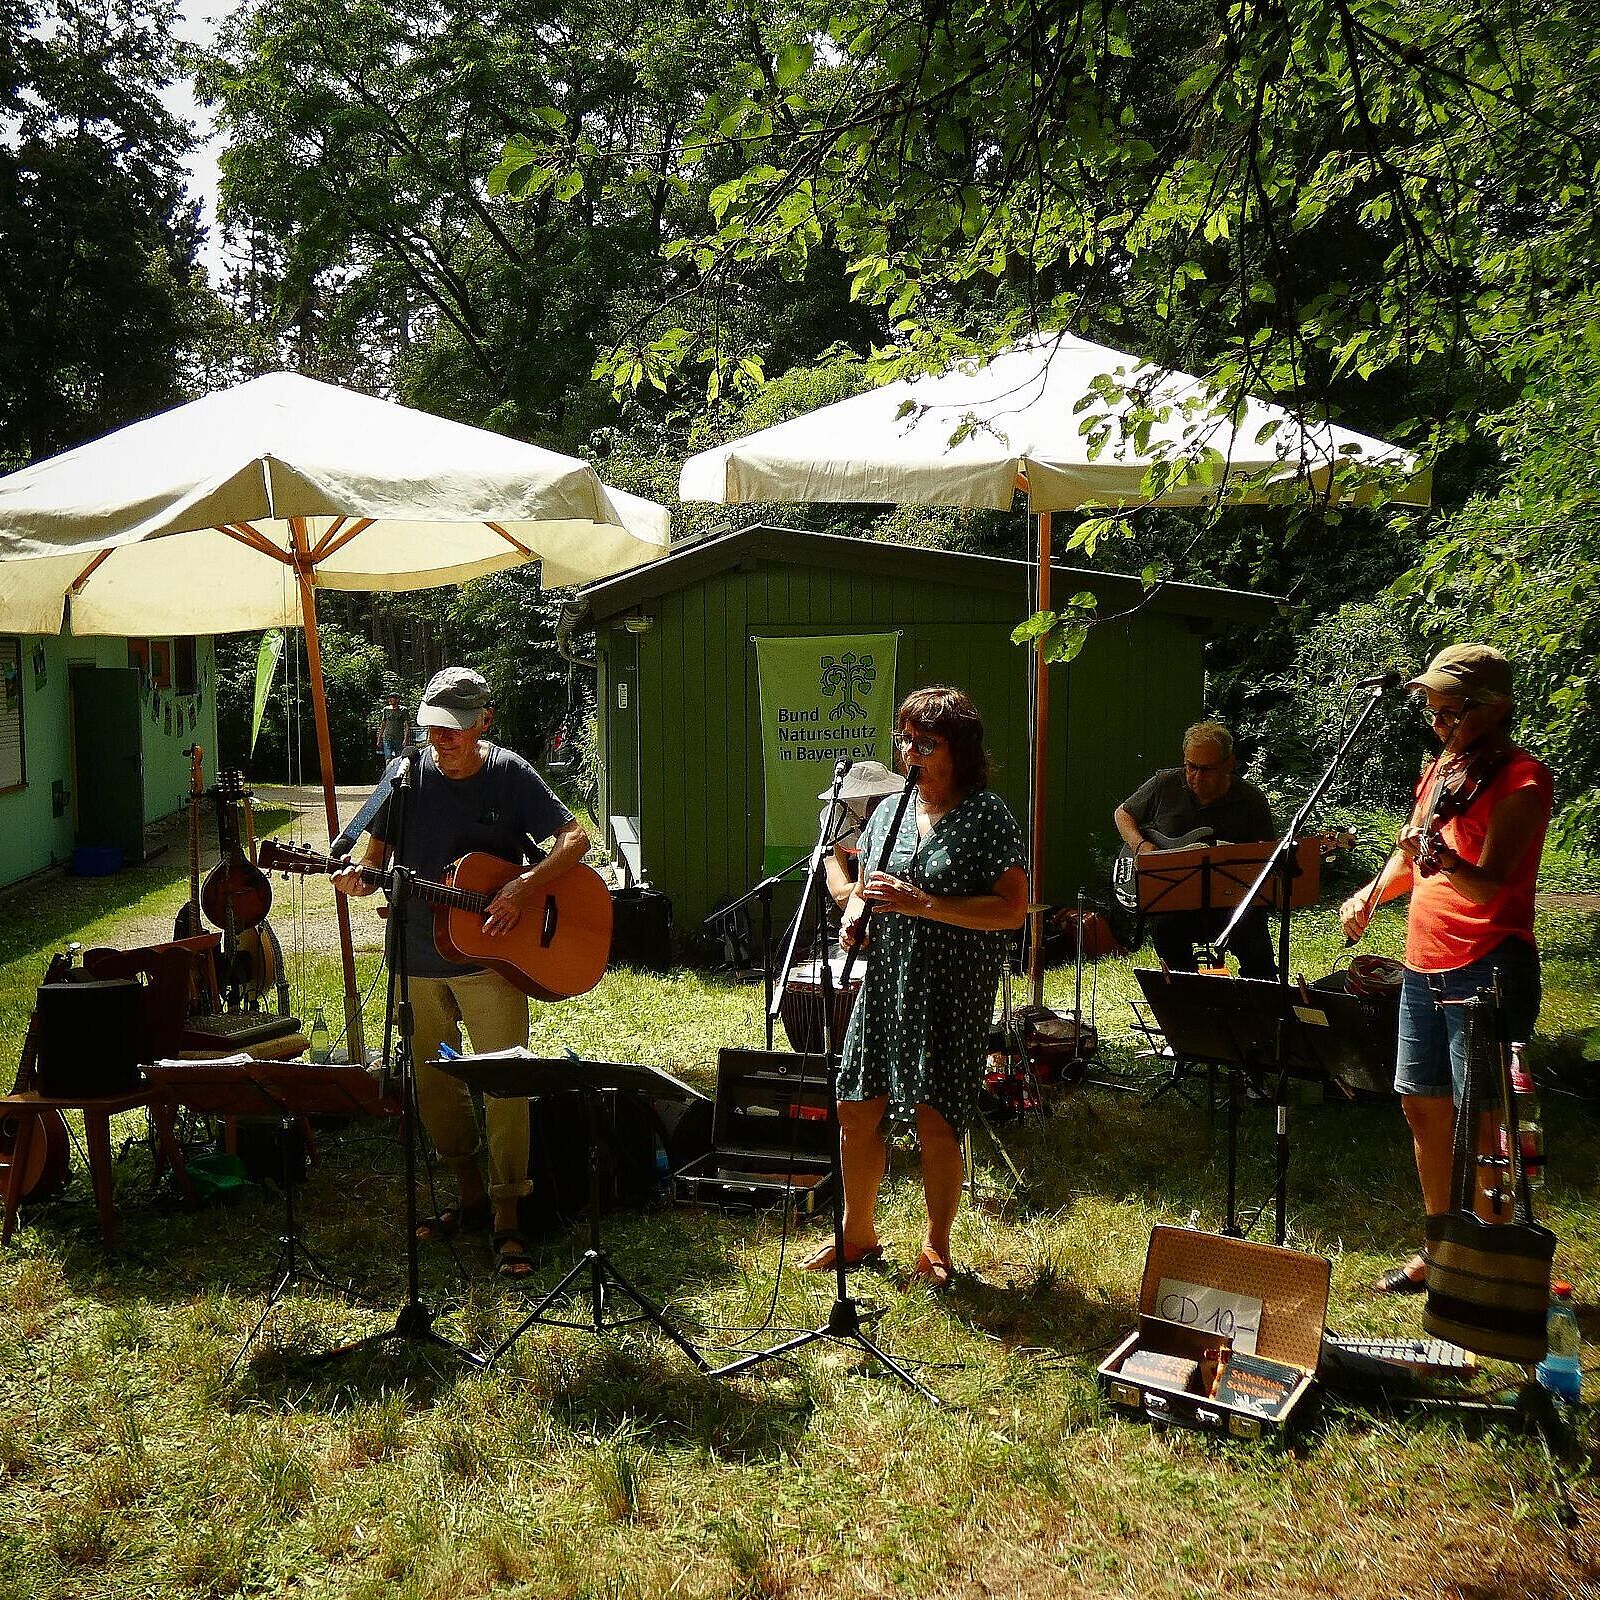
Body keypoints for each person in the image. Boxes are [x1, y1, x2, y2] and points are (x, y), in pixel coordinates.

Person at [333, 667, 591, 1279]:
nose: (440, 741)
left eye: (452, 730)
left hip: (492, 962)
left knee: (505, 1084)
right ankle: (470, 1195)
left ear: (484, 723)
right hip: (418, 958)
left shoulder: (508, 773)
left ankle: (510, 1216)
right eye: (431, 729)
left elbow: (574, 840)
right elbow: (377, 850)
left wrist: (525, 889)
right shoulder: (404, 776)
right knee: (435, 1085)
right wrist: (358, 873)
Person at [1339, 644, 1552, 1294]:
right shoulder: (1440, 773)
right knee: (1421, 1107)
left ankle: (1488, 1260)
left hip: (1486, 966)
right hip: (1423, 965)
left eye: (1450, 713)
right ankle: (1440, 1248)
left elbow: (1489, 887)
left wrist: (1442, 859)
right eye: (1432, 714)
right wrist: (1370, 893)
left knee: (1485, 1123)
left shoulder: (1523, 779)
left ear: (1496, 708)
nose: (1438, 726)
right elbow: (1411, 856)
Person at [807, 687, 1028, 1289]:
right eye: (905, 740)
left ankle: (936, 1244)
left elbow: (1013, 910)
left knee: (935, 1115)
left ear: (960, 749)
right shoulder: (890, 812)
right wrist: (855, 906)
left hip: (950, 986)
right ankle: (857, 1234)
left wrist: (925, 904)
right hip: (887, 981)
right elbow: (863, 879)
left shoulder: (988, 816)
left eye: (925, 743)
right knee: (857, 1105)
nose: (911, 754)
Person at [1112, 720, 1279, 980]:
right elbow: (1123, 813)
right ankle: (1188, 1003)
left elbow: (1265, 856)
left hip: (1230, 901)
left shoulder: (1250, 801)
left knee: (1258, 956)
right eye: (1191, 767)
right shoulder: (1164, 784)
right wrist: (1140, 845)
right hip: (1175, 902)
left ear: (1229, 764)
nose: (1197, 776)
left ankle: (1259, 1009)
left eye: (1207, 769)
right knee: (1167, 937)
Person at [819, 759, 905, 912]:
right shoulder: (837, 826)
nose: (882, 806)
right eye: (874, 802)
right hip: (848, 918)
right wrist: (888, 889)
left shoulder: (904, 823)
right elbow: (840, 894)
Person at [375, 692, 409, 762]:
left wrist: (405, 739)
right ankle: (387, 772)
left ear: (397, 700)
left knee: (399, 759)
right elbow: (383, 724)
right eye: (389, 698)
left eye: (392, 698)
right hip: (387, 737)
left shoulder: (403, 710)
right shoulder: (386, 710)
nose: (390, 699)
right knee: (388, 759)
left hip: (399, 738)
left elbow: (406, 726)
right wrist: (379, 738)